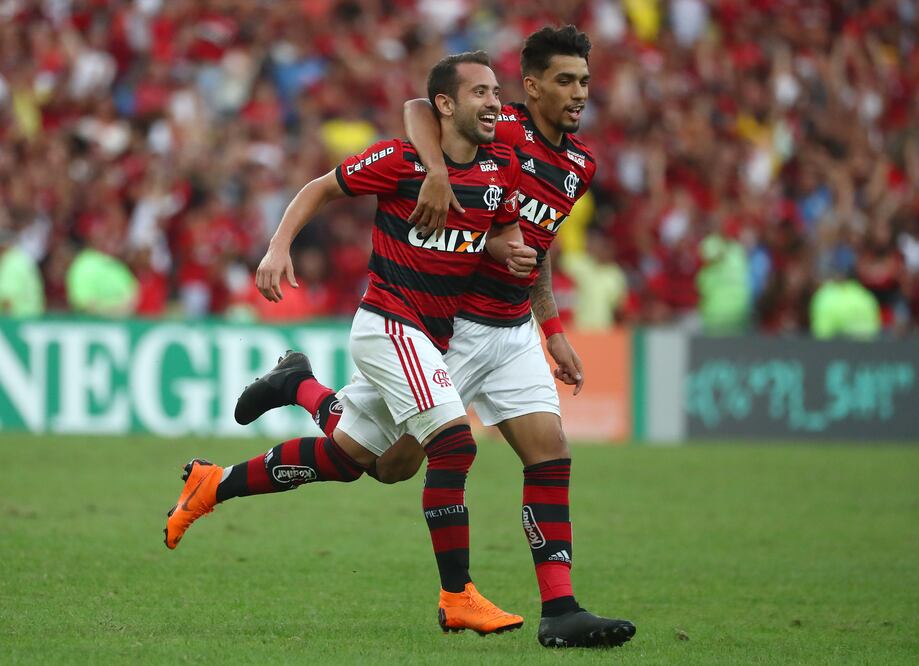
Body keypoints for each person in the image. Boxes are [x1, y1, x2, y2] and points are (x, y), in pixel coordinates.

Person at [235, 27, 636, 650]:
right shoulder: (500, 128)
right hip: (453, 326)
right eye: (565, 80)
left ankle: (560, 610)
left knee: (550, 454)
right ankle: (306, 389)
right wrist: (435, 172)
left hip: (513, 333)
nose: (580, 92)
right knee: (379, 464)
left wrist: (551, 328)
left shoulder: (580, 166)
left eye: (584, 80)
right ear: (531, 87)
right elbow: (420, 108)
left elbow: (539, 244)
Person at [163, 51, 537, 636]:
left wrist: (509, 251)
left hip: (429, 335)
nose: (495, 102)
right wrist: (279, 246)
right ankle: (457, 595)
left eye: (496, 91)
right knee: (455, 446)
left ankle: (220, 476)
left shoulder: (502, 166)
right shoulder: (399, 159)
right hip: (389, 323)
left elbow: (499, 233)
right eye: (481, 93)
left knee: (355, 461)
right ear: (446, 105)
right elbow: (320, 187)